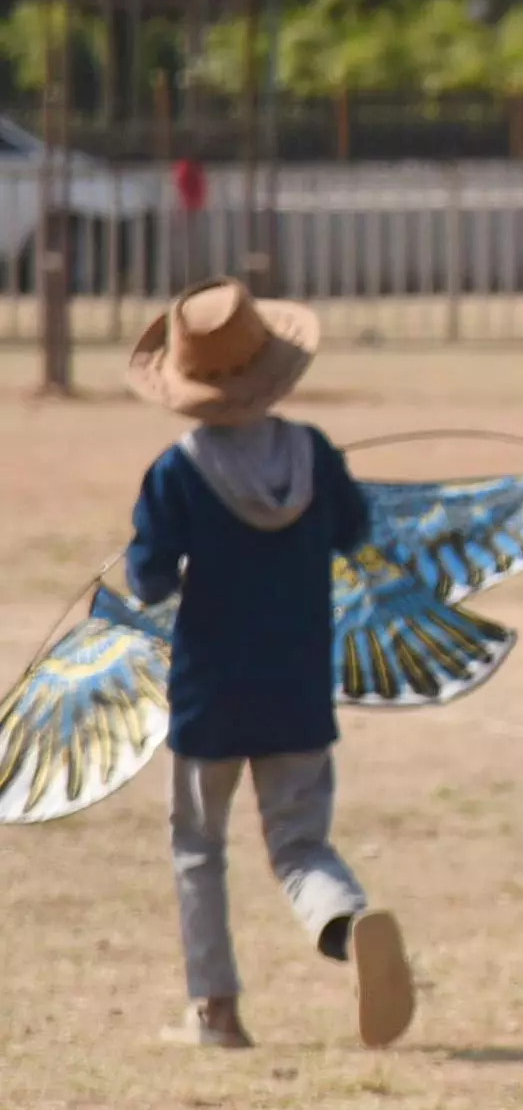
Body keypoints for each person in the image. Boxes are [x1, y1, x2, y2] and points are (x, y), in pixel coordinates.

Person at [124, 277, 415, 1050]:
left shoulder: (175, 473)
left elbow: (148, 579)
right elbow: (353, 532)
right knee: (300, 844)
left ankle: (214, 1011)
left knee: (198, 848)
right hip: (296, 691)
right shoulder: (312, 453)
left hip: (208, 696)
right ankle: (345, 925)